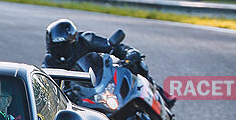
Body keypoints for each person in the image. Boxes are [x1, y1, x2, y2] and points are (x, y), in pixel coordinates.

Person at [43, 18, 176, 107]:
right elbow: (46, 84)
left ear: (73, 41)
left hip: (104, 78)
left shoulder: (87, 40)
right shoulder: (49, 62)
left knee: (136, 63)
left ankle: (159, 92)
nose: (62, 50)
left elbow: (113, 47)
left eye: (64, 46)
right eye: (57, 46)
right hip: (82, 96)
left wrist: (129, 53)